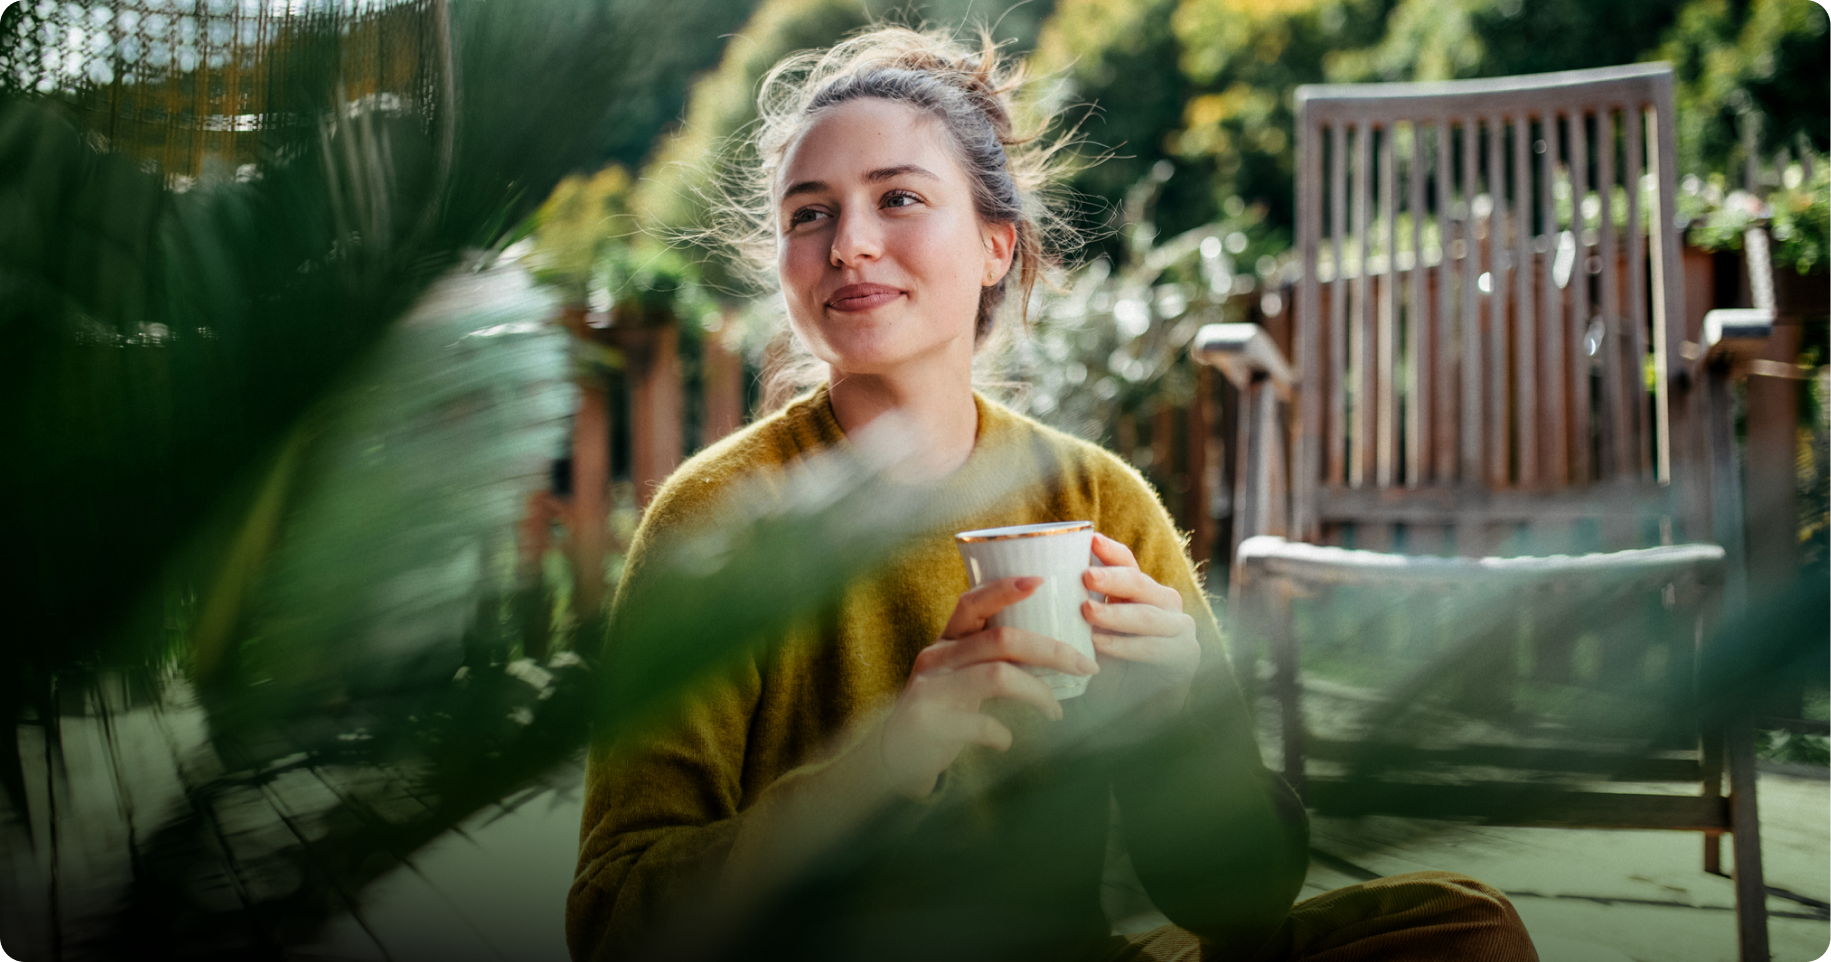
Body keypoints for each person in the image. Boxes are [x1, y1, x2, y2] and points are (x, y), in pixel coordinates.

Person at [567, 27, 1539, 962]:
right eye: (808, 213)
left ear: (997, 245)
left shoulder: (1097, 502)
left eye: (898, 197)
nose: (849, 243)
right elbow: (614, 922)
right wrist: (881, 765)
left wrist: (1175, 720)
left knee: (1466, 931)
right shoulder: (717, 519)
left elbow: (1236, 907)